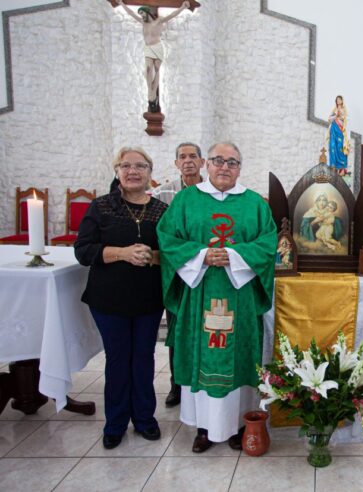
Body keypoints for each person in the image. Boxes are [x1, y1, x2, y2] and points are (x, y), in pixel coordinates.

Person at [157, 142, 277, 453]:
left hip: (241, 294)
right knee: (203, 355)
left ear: (240, 168)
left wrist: (234, 256)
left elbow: (268, 243)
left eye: (232, 162)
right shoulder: (185, 201)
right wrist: (201, 256)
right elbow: (167, 239)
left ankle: (241, 423)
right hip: (200, 292)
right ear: (206, 164)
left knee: (241, 358)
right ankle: (204, 427)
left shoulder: (255, 204)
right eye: (218, 160)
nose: (225, 167)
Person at [74, 147, 167, 450]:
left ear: (149, 173)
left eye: (140, 165)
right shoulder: (101, 207)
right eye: (125, 165)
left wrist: (153, 257)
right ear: (116, 171)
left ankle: (144, 418)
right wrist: (122, 253)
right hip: (109, 298)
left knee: (143, 357)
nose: (132, 171)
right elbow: (83, 250)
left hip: (148, 299)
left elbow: (173, 252)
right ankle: (115, 422)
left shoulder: (161, 210)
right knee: (117, 359)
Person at [151, 141, 205, 408]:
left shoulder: (214, 191)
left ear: (203, 162)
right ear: (176, 164)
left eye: (193, 156)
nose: (188, 161)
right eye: (182, 157)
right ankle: (176, 384)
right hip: (178, 272)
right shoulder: (162, 194)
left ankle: (203, 378)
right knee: (178, 329)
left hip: (208, 271)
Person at [117, 0, 190, 112]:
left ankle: (152, 97)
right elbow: (131, 13)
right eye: (140, 14)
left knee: (156, 71)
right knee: (147, 70)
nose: (141, 16)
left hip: (157, 48)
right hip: (148, 49)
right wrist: (121, 3)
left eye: (142, 13)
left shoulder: (159, 21)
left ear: (147, 12)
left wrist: (182, 7)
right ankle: (151, 95)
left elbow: (171, 15)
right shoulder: (143, 23)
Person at [326, 95, 349, 175]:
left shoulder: (344, 109)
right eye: (337, 100)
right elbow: (329, 119)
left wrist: (340, 116)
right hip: (333, 129)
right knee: (333, 146)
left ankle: (342, 167)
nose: (338, 101)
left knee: (340, 147)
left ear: (342, 101)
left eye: (340, 100)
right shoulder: (334, 109)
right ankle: (333, 166)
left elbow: (346, 119)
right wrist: (335, 115)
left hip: (340, 129)